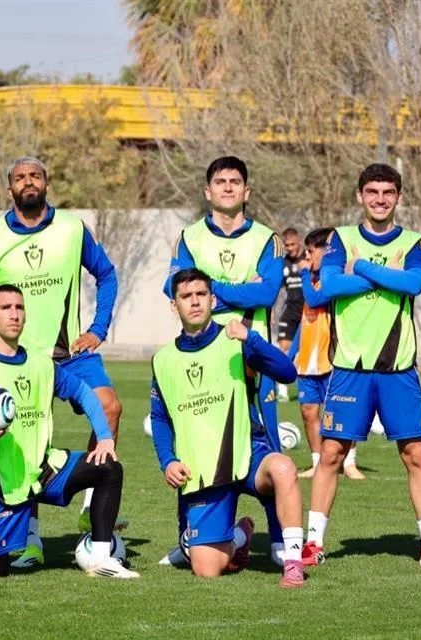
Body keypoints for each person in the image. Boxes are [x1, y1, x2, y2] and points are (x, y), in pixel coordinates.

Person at [0, 156, 124, 563]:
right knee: (24, 435)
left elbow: (107, 274)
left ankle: (91, 507)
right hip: (16, 359)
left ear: (47, 183)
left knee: (109, 406)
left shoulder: (72, 228)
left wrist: (98, 328)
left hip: (70, 353)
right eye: (20, 177)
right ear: (10, 188)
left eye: (35, 176)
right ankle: (30, 536)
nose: (28, 182)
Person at [302, 163, 421, 571]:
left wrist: (363, 268)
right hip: (349, 369)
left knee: (416, 454)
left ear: (398, 197)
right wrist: (389, 276)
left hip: (398, 370)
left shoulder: (414, 242)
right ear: (360, 196)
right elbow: (329, 286)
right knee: (331, 453)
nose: (380, 199)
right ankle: (313, 544)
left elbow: (414, 283)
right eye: (372, 192)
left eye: (388, 192)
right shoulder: (340, 239)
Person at [0, 284, 137, 579]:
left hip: (43, 469)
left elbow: (84, 392)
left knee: (108, 468)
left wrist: (104, 437)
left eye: (19, 307)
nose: (14, 315)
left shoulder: (42, 364)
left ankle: (102, 559)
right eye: (5, 308)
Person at [160, 156, 286, 566]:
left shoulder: (267, 239)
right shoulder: (189, 238)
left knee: (267, 444)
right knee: (193, 446)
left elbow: (267, 293)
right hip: (202, 357)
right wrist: (238, 288)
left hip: (252, 361)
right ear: (207, 191)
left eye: (235, 181)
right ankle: (189, 537)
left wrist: (209, 287)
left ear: (246, 191)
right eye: (220, 181)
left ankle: (280, 539)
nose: (228, 187)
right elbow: (174, 287)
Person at [150, 268, 304, 588]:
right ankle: (240, 535)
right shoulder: (163, 360)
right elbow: (160, 418)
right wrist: (168, 461)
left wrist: (253, 338)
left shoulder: (235, 341)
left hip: (248, 454)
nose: (195, 302)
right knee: (206, 569)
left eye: (201, 294)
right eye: (186, 296)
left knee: (284, 467)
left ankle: (293, 563)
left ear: (212, 299)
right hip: (204, 469)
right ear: (174, 306)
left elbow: (288, 373)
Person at [288, 228, 365, 481]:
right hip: (307, 361)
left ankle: (349, 463)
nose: (307, 257)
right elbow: (305, 320)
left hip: (331, 358)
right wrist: (290, 354)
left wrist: (302, 273)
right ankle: (317, 462)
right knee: (309, 411)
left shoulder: (334, 281)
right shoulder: (312, 280)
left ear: (325, 251)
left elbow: (314, 299)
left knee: (342, 411)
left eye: (310, 251)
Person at [276, 227, 304, 402]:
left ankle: (307, 389)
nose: (290, 248)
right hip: (290, 311)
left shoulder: (308, 258)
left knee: (305, 353)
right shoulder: (283, 263)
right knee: (283, 349)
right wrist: (270, 310)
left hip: (308, 312)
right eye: (287, 245)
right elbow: (274, 288)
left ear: (299, 241)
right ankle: (282, 390)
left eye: (293, 244)